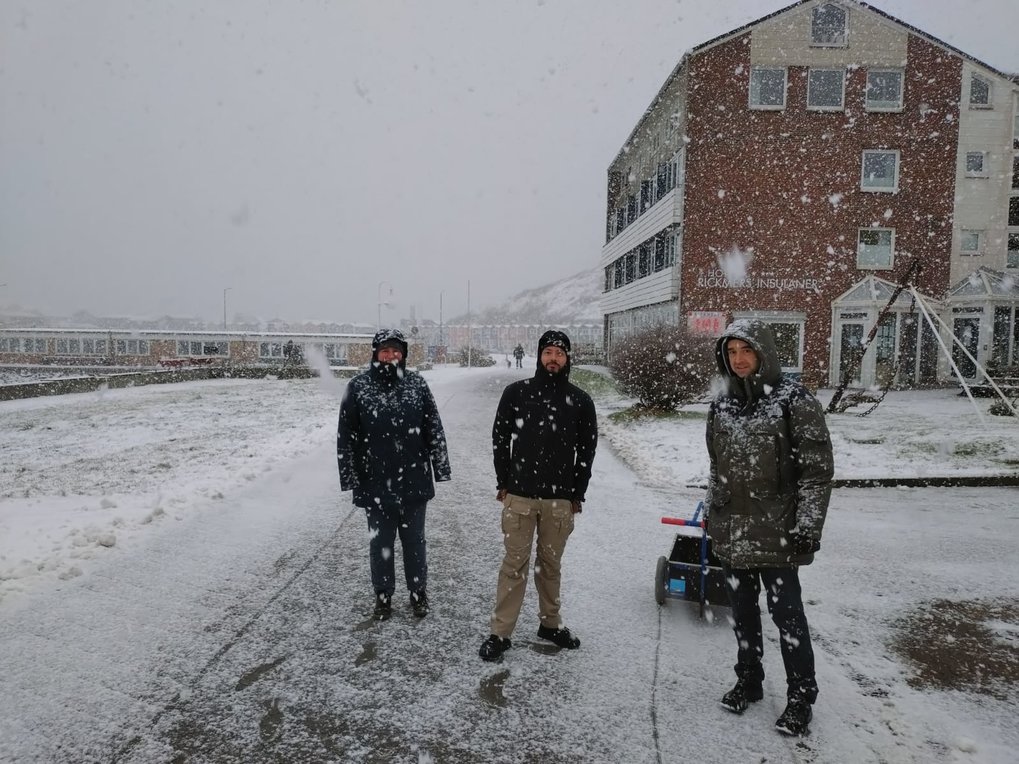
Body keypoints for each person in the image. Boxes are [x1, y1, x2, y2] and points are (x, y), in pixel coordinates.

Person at [704, 319, 834, 736]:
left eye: (747, 351)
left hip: (778, 532)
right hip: (732, 531)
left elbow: (817, 471)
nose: (739, 360)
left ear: (763, 352)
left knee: (788, 616)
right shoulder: (721, 403)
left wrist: (808, 525)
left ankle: (800, 697)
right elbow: (715, 465)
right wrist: (713, 512)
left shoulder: (793, 400)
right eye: (732, 352)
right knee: (742, 613)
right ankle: (750, 679)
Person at [479, 330, 598, 662]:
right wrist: (503, 481)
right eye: (548, 352)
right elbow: (500, 438)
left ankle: (550, 625)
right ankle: (500, 633)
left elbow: (588, 450)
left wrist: (578, 493)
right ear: (538, 356)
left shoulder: (581, 401)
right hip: (520, 496)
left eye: (560, 353)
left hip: (559, 502)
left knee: (550, 566)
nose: (553, 358)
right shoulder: (517, 393)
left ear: (568, 358)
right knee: (513, 565)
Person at [337, 328, 451, 621]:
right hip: (373, 482)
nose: (391, 356)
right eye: (385, 350)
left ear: (404, 353)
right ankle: (383, 596)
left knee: (415, 542)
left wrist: (441, 467)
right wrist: (350, 477)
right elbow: (346, 435)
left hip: (414, 480)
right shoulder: (358, 386)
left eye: (396, 350)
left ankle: (418, 594)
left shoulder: (417, 385)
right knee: (381, 544)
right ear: (375, 353)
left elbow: (433, 428)